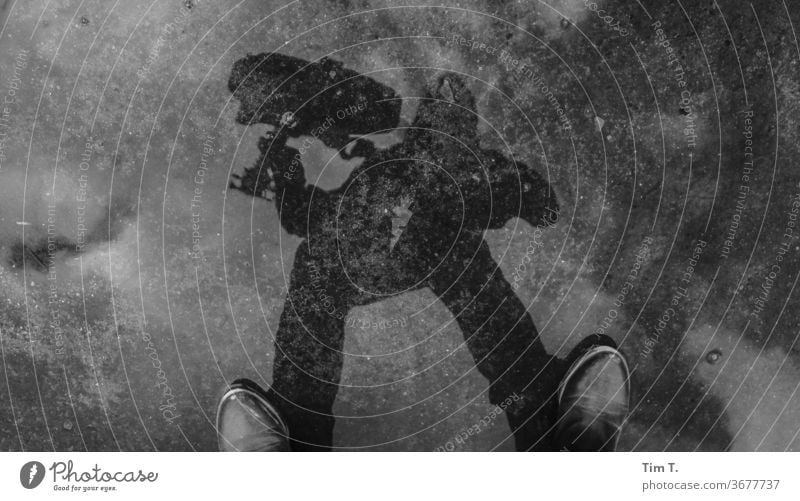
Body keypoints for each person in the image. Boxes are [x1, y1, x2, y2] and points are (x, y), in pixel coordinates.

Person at [222, 53, 630, 451]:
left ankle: (295, 432)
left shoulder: (420, 164)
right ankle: (545, 409)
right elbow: (541, 206)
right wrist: (285, 176)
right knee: (443, 260)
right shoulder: (410, 161)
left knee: (349, 263)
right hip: (384, 250)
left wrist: (287, 176)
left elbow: (541, 205)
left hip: (383, 250)